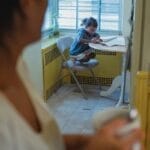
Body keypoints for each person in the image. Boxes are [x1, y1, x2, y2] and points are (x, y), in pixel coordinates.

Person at [0, 0, 143, 150]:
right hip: (75, 56)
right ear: (27, 3)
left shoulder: (18, 66)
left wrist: (87, 142)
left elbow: (38, 142)